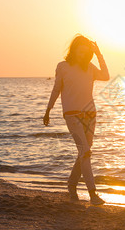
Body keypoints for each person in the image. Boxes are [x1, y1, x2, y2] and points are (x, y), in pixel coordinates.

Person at [43, 34, 110, 205]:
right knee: (85, 152)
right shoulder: (63, 66)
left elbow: (106, 76)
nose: (84, 49)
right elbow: (56, 89)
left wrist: (99, 54)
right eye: (81, 46)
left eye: (87, 47)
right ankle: (93, 194)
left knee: (84, 153)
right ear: (75, 48)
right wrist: (48, 110)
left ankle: (72, 184)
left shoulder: (90, 67)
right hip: (72, 115)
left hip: (90, 115)